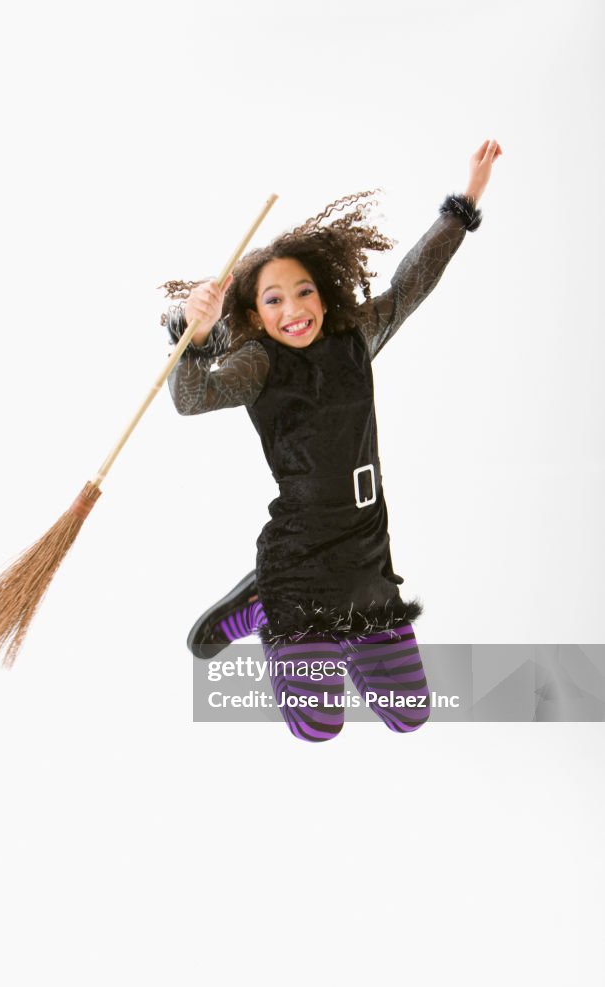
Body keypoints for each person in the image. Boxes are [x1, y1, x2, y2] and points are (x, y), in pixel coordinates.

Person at [160, 139, 502, 742]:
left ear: (324, 293)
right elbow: (190, 400)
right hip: (300, 561)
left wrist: (463, 207)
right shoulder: (256, 363)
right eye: (273, 300)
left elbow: (409, 286)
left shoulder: (355, 339)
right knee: (317, 725)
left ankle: (320, 630)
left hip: (368, 554)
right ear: (256, 315)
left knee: (410, 715)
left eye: (303, 291)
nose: (293, 308)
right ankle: (266, 603)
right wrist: (193, 332)